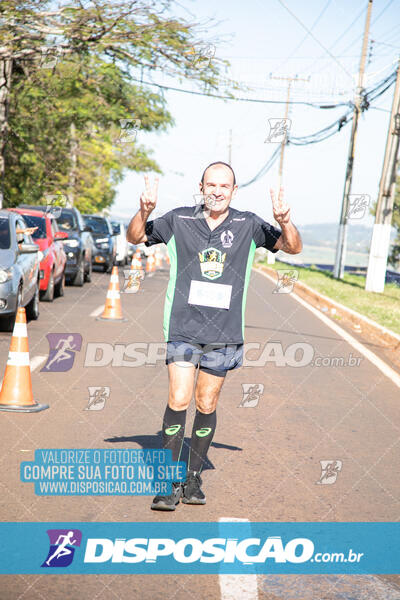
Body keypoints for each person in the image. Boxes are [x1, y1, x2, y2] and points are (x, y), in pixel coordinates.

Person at [127, 161, 302, 511]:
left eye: (224, 186)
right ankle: (169, 481)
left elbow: (292, 247)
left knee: (206, 404)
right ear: (202, 187)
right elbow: (135, 237)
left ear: (233, 191)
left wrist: (283, 219)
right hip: (182, 327)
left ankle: (193, 477)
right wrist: (144, 210)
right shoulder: (179, 220)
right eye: (211, 185)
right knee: (178, 398)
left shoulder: (248, 224)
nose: (217, 191)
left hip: (223, 333)